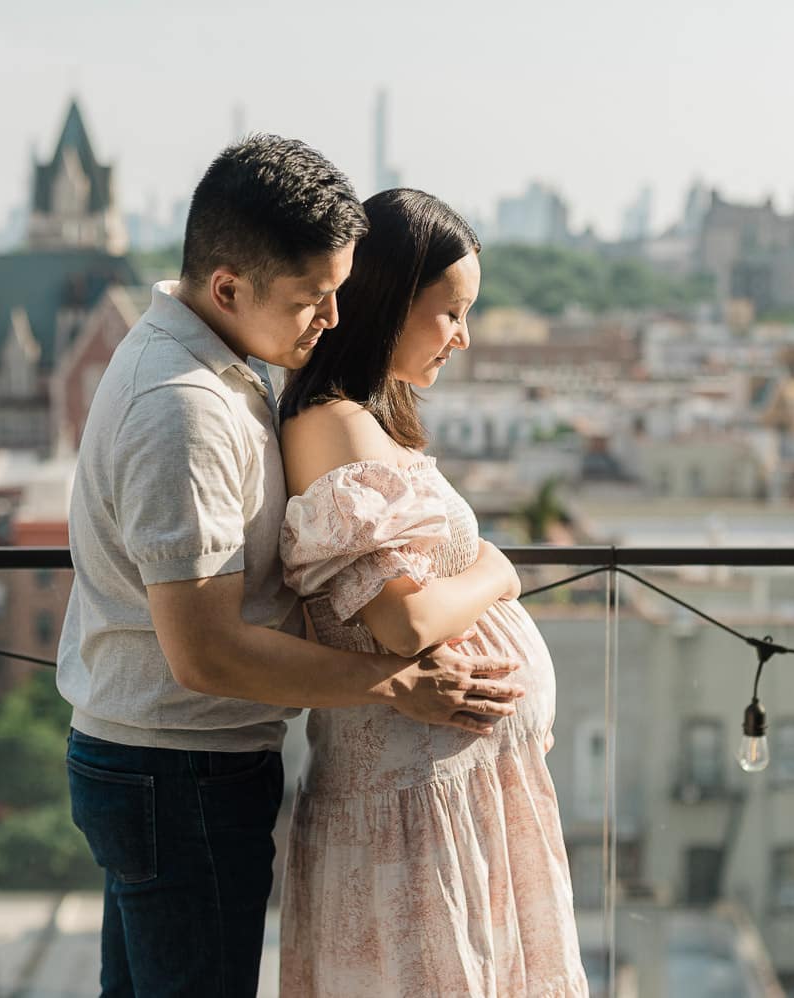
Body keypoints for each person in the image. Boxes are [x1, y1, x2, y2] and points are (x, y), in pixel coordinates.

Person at [56, 139, 528, 998]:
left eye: (341, 293)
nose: (336, 321)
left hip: (171, 765)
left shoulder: (213, 366)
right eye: (314, 299)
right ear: (228, 287)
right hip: (180, 770)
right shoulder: (182, 410)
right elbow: (206, 653)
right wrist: (395, 686)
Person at [276, 188, 587, 997]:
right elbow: (404, 620)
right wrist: (497, 571)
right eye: (449, 312)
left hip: (452, 804)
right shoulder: (334, 422)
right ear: (387, 302)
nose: (463, 336)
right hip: (412, 823)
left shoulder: (370, 421)